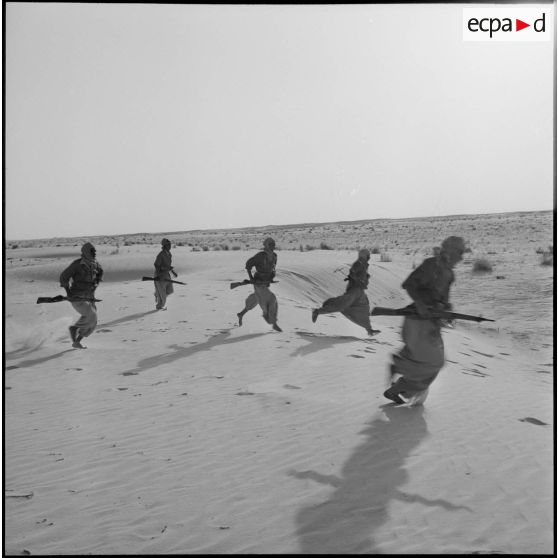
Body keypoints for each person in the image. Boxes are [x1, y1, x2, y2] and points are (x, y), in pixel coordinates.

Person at [383, 236, 466, 405]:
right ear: (449, 250)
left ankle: (398, 387)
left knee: (435, 363)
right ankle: (399, 366)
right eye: (459, 252)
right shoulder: (431, 265)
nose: (462, 257)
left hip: (432, 322)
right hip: (417, 321)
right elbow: (409, 284)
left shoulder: (449, 274)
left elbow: (444, 299)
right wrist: (420, 304)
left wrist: (447, 308)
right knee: (432, 362)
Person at [311, 248, 380, 336]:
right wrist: (357, 279)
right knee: (341, 305)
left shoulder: (364, 264)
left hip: (360, 291)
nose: (369, 257)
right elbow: (352, 272)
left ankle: (369, 330)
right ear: (364, 255)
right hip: (354, 290)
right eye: (368, 255)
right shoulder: (359, 263)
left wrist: (364, 278)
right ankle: (317, 312)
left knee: (364, 308)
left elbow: (358, 274)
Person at [59, 242, 104, 349]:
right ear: (86, 252)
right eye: (92, 251)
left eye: (94, 251)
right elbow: (63, 277)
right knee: (91, 315)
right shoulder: (77, 264)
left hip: (89, 297)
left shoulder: (96, 264)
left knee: (93, 322)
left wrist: (97, 280)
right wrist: (68, 292)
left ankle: (77, 342)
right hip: (76, 296)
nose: (94, 253)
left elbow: (100, 272)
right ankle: (74, 328)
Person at [237, 237, 282, 332]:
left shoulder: (274, 256)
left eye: (273, 244)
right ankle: (273, 322)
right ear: (266, 245)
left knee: (256, 299)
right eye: (271, 244)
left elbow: (272, 268)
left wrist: (271, 277)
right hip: (258, 282)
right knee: (272, 298)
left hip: (265, 282)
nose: (273, 246)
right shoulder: (260, 255)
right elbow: (248, 265)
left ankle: (241, 314)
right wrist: (251, 279)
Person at [154, 238, 177, 310]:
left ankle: (158, 295)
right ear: (164, 246)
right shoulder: (161, 255)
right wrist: (158, 275)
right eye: (168, 245)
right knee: (163, 295)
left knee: (170, 290)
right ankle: (159, 306)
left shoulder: (169, 254)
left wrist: (173, 272)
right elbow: (156, 265)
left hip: (166, 274)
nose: (170, 246)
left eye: (170, 244)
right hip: (160, 275)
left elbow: (168, 266)